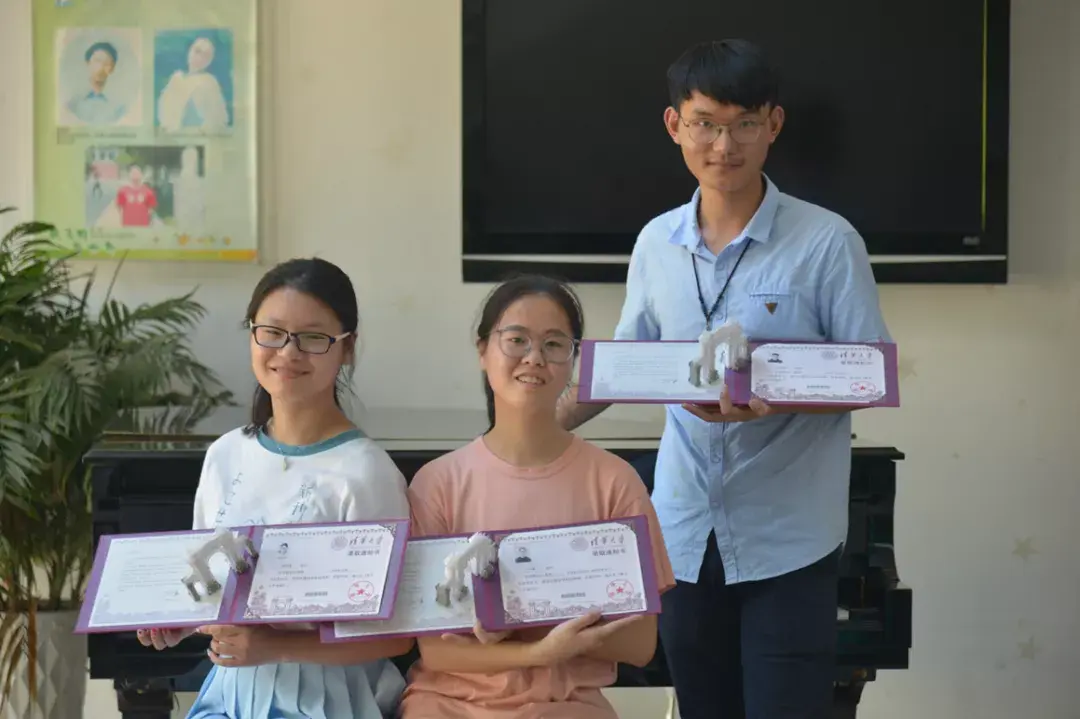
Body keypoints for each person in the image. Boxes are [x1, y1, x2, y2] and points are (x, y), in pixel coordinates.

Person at [557, 39, 892, 719]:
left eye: (744, 124)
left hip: (788, 540)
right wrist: (531, 424)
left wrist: (772, 396)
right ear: (674, 125)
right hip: (682, 534)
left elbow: (867, 375)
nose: (724, 144)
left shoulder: (828, 241)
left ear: (774, 124)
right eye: (705, 123)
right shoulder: (655, 242)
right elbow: (626, 363)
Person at [136, 257, 413, 719]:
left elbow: (396, 638)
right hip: (230, 693)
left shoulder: (367, 474)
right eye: (272, 332)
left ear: (347, 348)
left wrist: (274, 646)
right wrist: (183, 623)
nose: (288, 352)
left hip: (326, 700)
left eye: (312, 337)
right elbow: (216, 590)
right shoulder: (225, 454)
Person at [399, 275, 676, 719]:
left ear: (573, 359)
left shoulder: (615, 482)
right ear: (482, 350)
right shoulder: (437, 484)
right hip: (449, 704)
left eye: (553, 344)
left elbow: (640, 644)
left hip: (565, 705)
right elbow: (436, 650)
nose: (534, 357)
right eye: (516, 340)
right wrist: (540, 649)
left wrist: (522, 616)